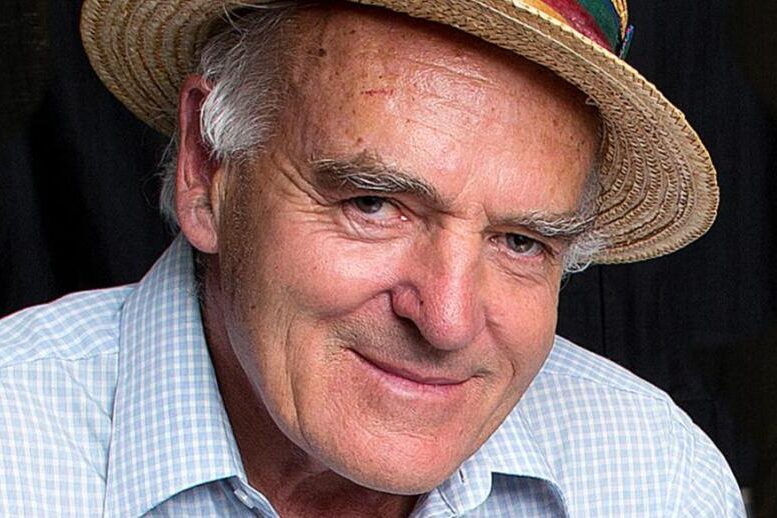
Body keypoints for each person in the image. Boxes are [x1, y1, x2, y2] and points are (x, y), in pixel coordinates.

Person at [0, 0, 745, 516]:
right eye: (374, 204)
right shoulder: (18, 448)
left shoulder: (655, 478)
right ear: (207, 167)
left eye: (521, 241)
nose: (447, 320)